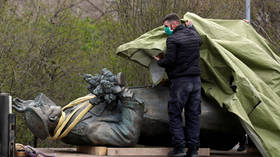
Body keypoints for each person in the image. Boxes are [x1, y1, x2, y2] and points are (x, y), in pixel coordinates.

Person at [153, 13, 202, 157]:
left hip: (181, 82)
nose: (165, 29)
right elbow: (199, 41)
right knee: (193, 115)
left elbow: (170, 61)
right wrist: (192, 28)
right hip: (196, 81)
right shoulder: (194, 35)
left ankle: (179, 148)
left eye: (166, 26)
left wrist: (159, 60)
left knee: (175, 113)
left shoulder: (172, 39)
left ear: (174, 25)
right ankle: (193, 150)